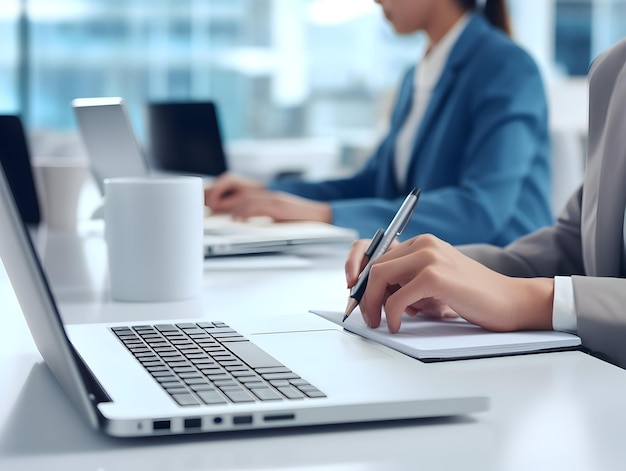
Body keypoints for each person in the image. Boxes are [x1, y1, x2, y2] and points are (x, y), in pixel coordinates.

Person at [344, 36, 626, 369]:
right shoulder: (615, 67)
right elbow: (576, 247)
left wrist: (527, 300)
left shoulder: (507, 67)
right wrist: (431, 266)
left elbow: (480, 206)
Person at [205, 0, 553, 247]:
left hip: (502, 279)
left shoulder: (506, 67)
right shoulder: (415, 76)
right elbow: (375, 184)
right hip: (437, 274)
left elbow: (479, 211)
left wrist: (321, 213)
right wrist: (270, 193)